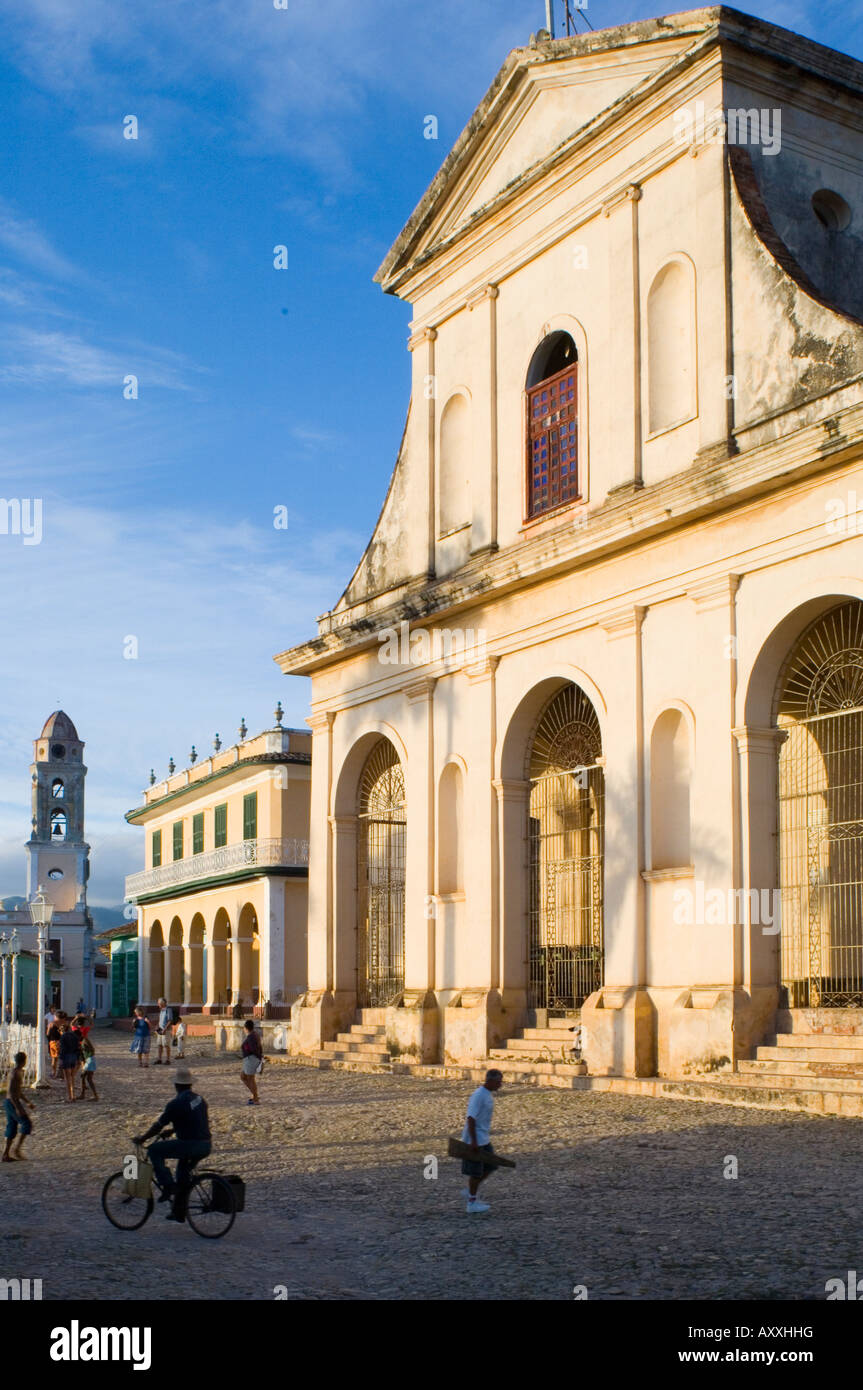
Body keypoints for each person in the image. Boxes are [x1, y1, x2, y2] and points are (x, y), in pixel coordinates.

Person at [132, 1068, 211, 1222]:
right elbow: (194, 1121)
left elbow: (158, 1126)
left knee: (154, 1151)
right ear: (190, 1084)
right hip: (205, 1145)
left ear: (176, 1085)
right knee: (182, 1176)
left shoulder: (175, 1104)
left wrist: (143, 1138)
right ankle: (179, 1212)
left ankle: (167, 1185)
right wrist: (173, 1130)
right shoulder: (200, 1099)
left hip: (190, 1145)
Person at [461, 1069, 503, 1214]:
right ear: (490, 1081)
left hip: (483, 1138)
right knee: (475, 1172)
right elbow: (471, 1118)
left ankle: (471, 1190)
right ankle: (471, 1203)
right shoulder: (478, 1096)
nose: (500, 1085)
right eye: (498, 1082)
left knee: (491, 1165)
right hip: (476, 1140)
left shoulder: (488, 1095)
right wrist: (472, 1141)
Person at [2, 1052, 33, 1161]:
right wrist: (18, 1108)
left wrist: (27, 1102)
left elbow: (18, 1091)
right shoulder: (14, 1073)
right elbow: (11, 1092)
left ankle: (5, 1154)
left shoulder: (19, 1072)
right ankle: (16, 1149)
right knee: (26, 1124)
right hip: (12, 1102)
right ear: (24, 1061)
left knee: (12, 1126)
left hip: (11, 1102)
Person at [240, 1020, 263, 1105]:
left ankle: (255, 1098)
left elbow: (254, 1049)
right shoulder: (254, 1035)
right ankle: (254, 1095)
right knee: (243, 1076)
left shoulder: (251, 1037)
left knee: (250, 1079)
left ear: (246, 1028)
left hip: (251, 1059)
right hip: (250, 1059)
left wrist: (258, 1057)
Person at [58, 1022, 81, 1101]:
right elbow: (78, 1047)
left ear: (62, 1031)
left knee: (67, 1078)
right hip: (74, 1056)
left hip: (66, 1057)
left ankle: (70, 1096)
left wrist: (61, 1060)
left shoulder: (63, 1037)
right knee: (72, 1077)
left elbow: (62, 1049)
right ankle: (73, 1094)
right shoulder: (74, 1036)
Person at [79, 1036, 98, 1101]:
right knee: (87, 1078)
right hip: (91, 1061)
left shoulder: (83, 1043)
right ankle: (84, 1094)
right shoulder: (85, 1042)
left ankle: (94, 1096)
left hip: (89, 1062)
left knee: (85, 1078)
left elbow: (86, 1054)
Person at [154, 998, 173, 1065]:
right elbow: (160, 1020)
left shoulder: (168, 1010)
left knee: (166, 1045)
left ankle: (168, 1060)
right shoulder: (161, 1010)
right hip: (160, 1030)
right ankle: (159, 1059)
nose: (158, 1004)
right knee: (159, 1045)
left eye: (159, 1003)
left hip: (166, 1030)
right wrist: (157, 1026)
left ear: (163, 1003)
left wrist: (165, 1029)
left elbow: (170, 1020)